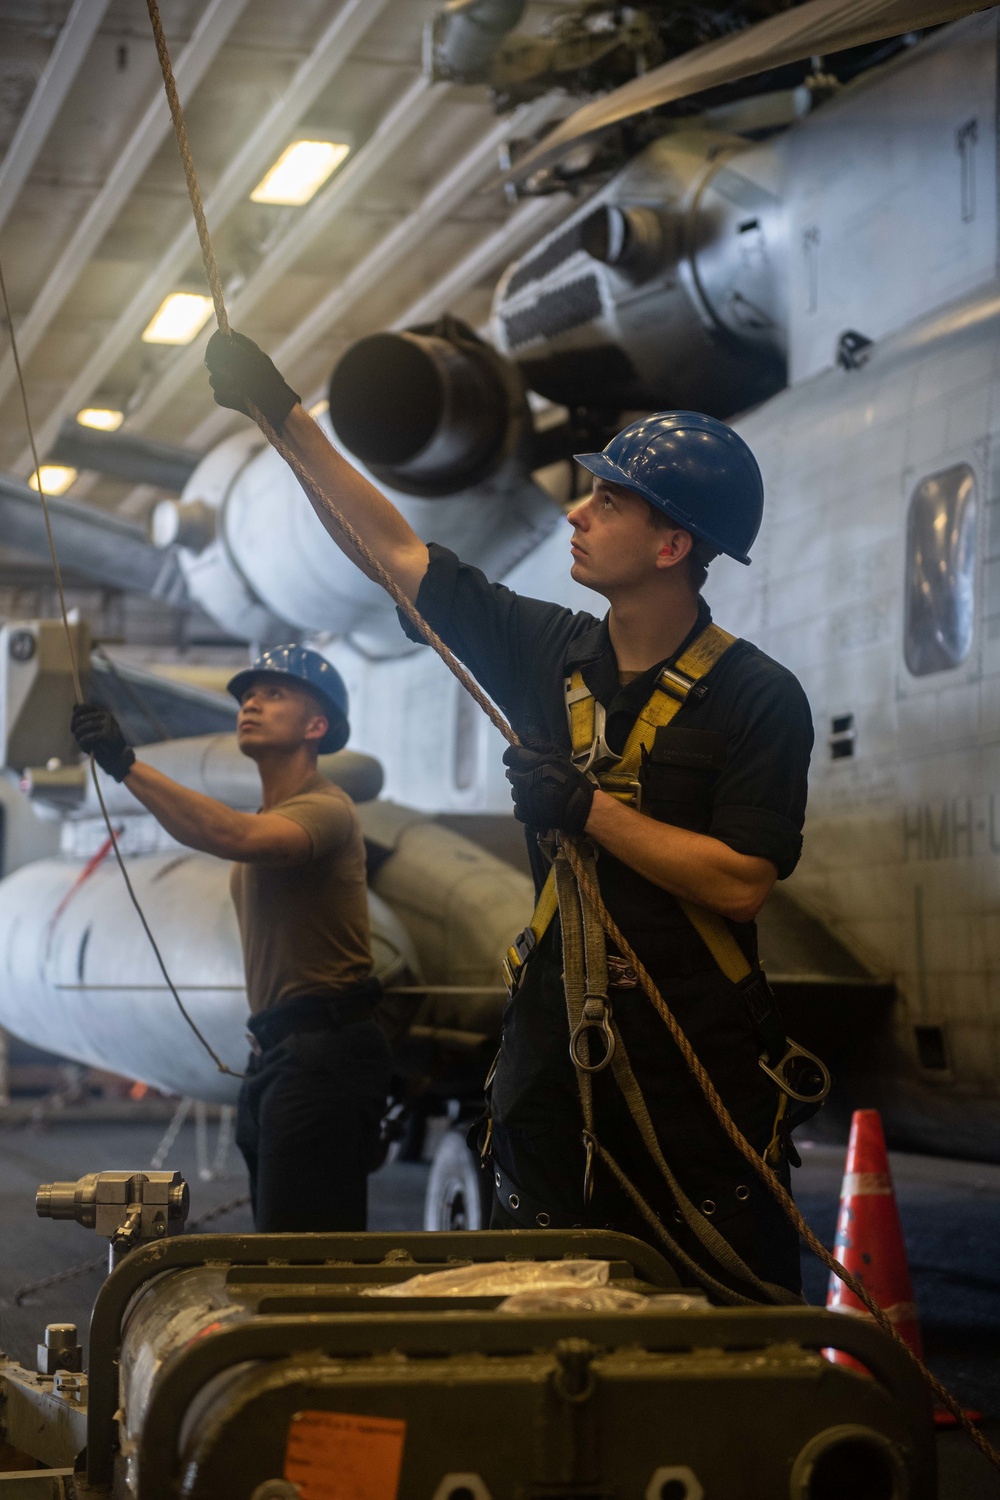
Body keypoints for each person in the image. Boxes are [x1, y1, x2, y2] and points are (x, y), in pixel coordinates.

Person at [203, 333, 815, 1297]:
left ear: (672, 544)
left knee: (715, 1314)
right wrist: (281, 416)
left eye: (608, 500)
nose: (576, 512)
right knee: (541, 1307)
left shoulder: (756, 697)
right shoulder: (548, 655)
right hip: (552, 1052)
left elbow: (741, 881)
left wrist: (588, 811)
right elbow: (394, 555)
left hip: (695, 1063)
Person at [71, 645, 391, 1233]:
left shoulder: (324, 808)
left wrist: (125, 764)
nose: (251, 702)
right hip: (282, 1052)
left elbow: (231, 833)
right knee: (281, 1246)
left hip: (323, 1056)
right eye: (247, 694)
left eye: (274, 694)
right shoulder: (279, 813)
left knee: (305, 1260)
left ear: (316, 727)